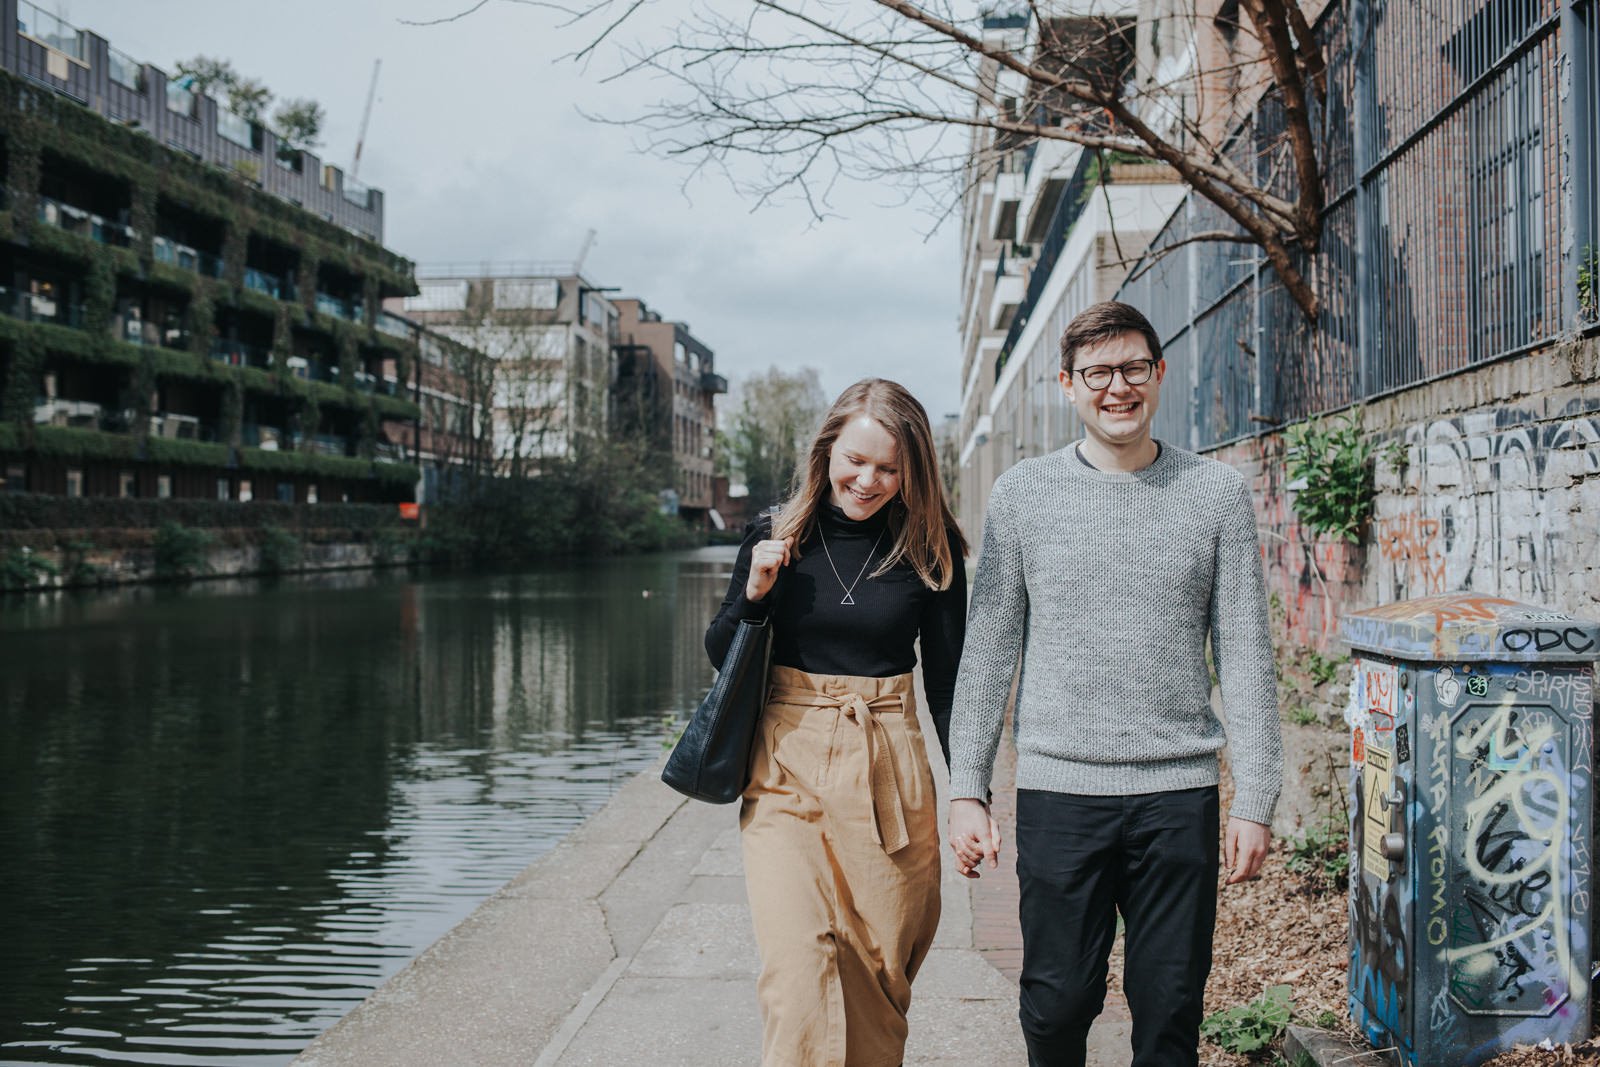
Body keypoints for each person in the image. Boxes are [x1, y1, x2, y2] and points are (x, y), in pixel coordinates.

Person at [946, 301, 1283, 1067]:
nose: (1117, 387)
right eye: (1097, 372)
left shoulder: (1216, 495)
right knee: (1057, 1003)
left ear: (1159, 373)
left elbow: (1245, 655)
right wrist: (969, 787)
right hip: (1061, 792)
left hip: (1178, 793)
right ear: (1068, 384)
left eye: (1133, 368)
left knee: (1170, 1010)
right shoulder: (1024, 495)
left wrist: (1256, 797)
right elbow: (990, 648)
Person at [706, 377, 968, 1067]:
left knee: (878, 979)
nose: (867, 479)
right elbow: (720, 653)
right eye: (855, 459)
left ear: (912, 469)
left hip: (888, 763)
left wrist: (972, 793)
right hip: (786, 763)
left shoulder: (931, 546)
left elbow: (946, 685)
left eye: (889, 467)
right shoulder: (775, 532)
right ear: (826, 450)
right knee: (798, 976)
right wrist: (756, 597)